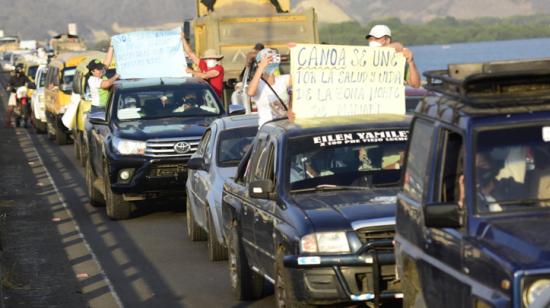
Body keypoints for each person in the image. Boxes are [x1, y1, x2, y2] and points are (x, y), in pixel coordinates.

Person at [247, 48, 291, 126]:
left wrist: (296, 51)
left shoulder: (284, 80)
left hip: (286, 129)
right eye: (267, 59)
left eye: (272, 59)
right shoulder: (258, 84)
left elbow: (302, 78)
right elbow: (250, 92)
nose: (269, 62)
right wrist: (261, 67)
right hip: (268, 131)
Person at [87, 46, 119, 113]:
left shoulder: (101, 74)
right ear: (92, 71)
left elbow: (107, 62)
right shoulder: (92, 80)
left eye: (101, 68)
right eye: (98, 69)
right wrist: (116, 76)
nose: (101, 70)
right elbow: (106, 84)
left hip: (107, 106)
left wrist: (111, 47)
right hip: (98, 108)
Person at [5, 64, 33, 128]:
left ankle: (31, 119)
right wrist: (9, 87)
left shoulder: (24, 77)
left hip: (22, 93)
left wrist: (30, 85)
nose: (21, 70)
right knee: (10, 107)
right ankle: (8, 122)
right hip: (14, 93)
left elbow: (29, 82)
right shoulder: (13, 77)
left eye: (22, 69)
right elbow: (8, 85)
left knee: (29, 104)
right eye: (21, 68)